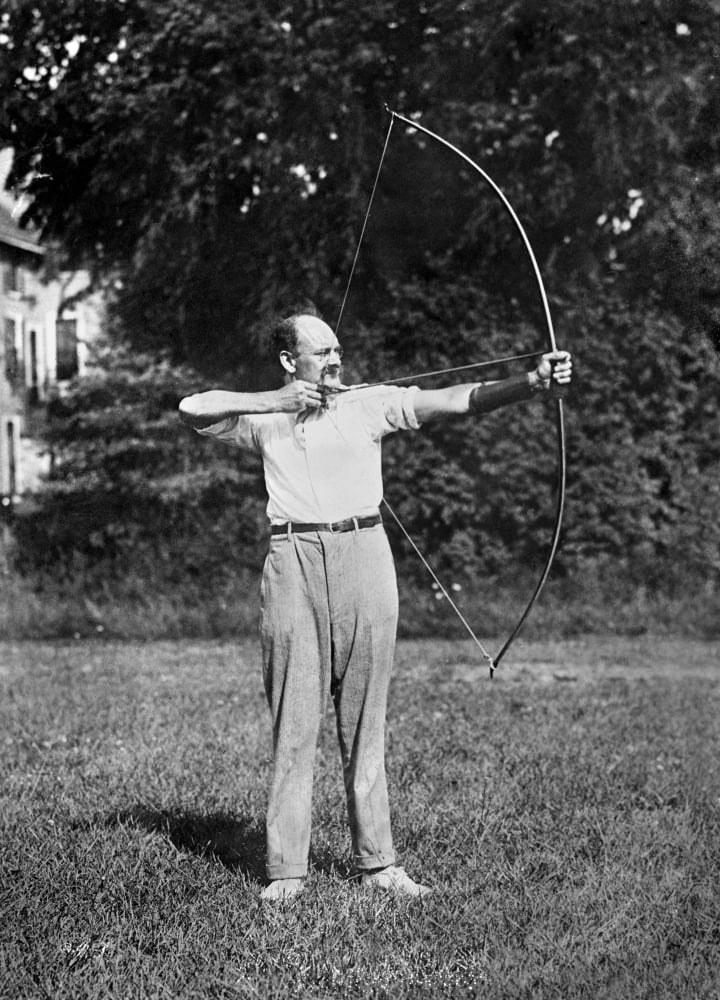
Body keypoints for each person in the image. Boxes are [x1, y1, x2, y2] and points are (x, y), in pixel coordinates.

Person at [179, 304, 572, 901]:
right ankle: (286, 870)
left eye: (338, 349)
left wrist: (531, 383)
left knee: (365, 720)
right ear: (289, 360)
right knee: (294, 720)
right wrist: (276, 401)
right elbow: (192, 407)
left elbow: (457, 400)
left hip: (365, 555)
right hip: (292, 561)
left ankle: (379, 864)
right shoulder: (263, 418)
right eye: (322, 352)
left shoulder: (367, 403)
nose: (336, 359)